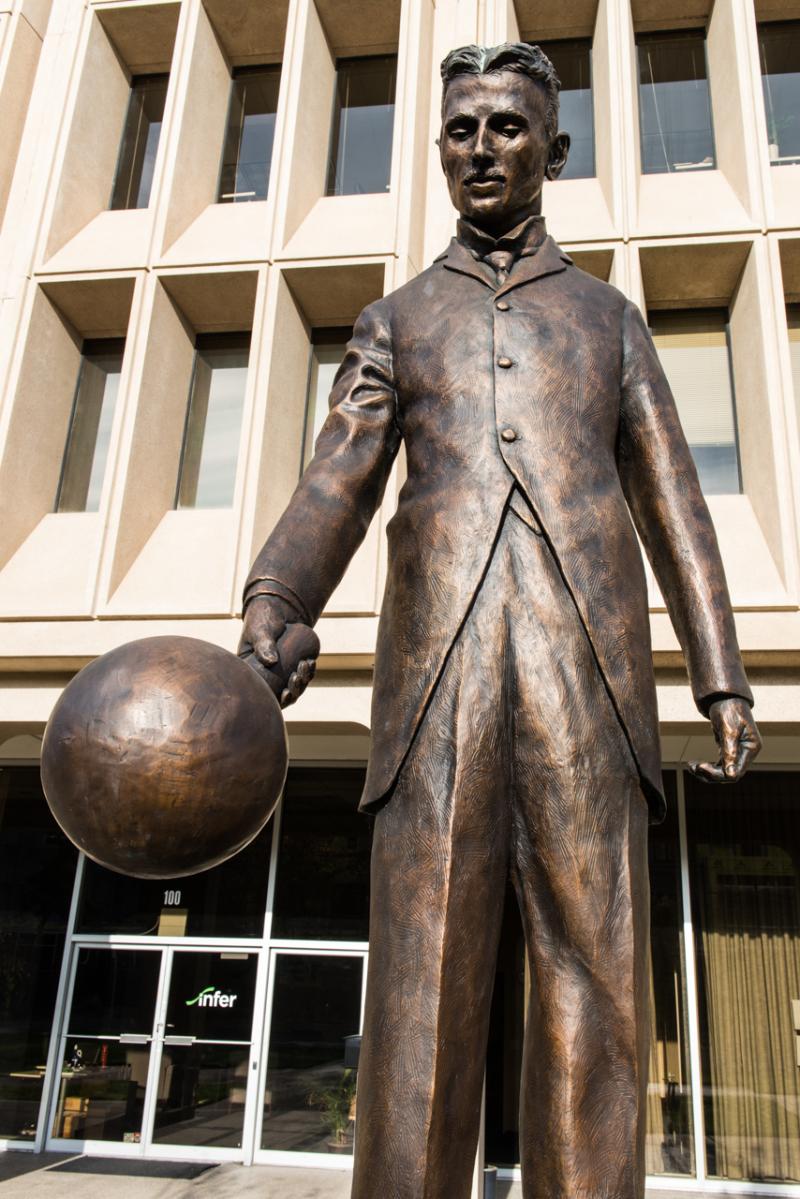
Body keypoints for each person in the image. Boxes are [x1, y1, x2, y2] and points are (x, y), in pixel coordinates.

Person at [239, 42, 761, 1199]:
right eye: (461, 130)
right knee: (421, 990)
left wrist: (717, 673)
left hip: (589, 676)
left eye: (506, 129)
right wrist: (277, 602)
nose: (480, 150)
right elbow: (335, 481)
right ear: (438, 150)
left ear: (553, 150)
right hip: (436, 684)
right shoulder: (395, 319)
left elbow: (674, 499)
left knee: (596, 994)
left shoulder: (607, 319)